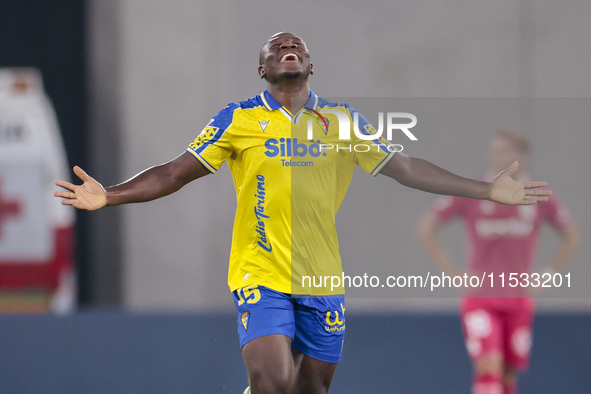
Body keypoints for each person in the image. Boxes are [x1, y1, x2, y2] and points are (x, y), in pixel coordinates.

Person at [54, 33, 552, 394]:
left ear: (310, 65)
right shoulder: (239, 119)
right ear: (263, 69)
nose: (286, 47)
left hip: (322, 279)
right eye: (275, 47)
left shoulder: (341, 121)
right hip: (259, 271)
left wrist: (485, 190)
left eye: (296, 46)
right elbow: (172, 173)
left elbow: (404, 168)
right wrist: (110, 196)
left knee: (310, 390)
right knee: (274, 381)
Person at [415, 129, 580, 394]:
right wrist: (453, 273)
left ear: (521, 156)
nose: (496, 157)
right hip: (480, 296)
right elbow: (426, 227)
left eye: (503, 151)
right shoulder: (475, 190)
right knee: (488, 366)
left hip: (518, 297)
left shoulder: (537, 194)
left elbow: (572, 237)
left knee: (507, 373)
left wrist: (545, 276)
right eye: (494, 151)